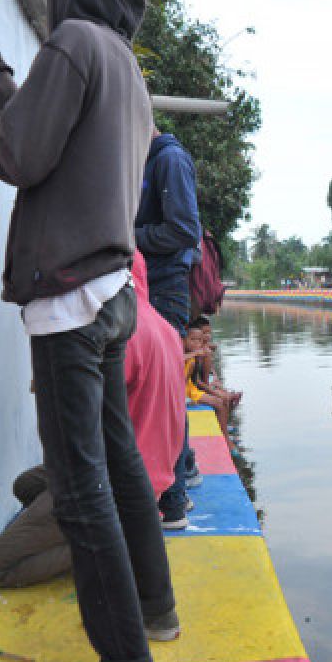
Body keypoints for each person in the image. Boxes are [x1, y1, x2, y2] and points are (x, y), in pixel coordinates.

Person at [0, 0, 172, 662]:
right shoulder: (122, 67)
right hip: (110, 294)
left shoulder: (72, 44)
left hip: (68, 300)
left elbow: (19, 153)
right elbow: (50, 135)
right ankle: (156, 609)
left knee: (79, 491)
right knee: (118, 464)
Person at [0, 253, 186, 589]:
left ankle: (115, 544)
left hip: (115, 482)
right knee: (26, 486)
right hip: (154, 479)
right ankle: (113, 531)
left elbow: (73, 422)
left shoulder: (118, 334)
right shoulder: (165, 329)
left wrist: (49, 381)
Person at [136, 127, 203, 527]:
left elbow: (183, 230)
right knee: (169, 393)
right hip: (153, 286)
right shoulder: (150, 160)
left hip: (164, 288)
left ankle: (172, 502)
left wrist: (123, 233)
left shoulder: (169, 160)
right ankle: (187, 469)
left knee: (162, 395)